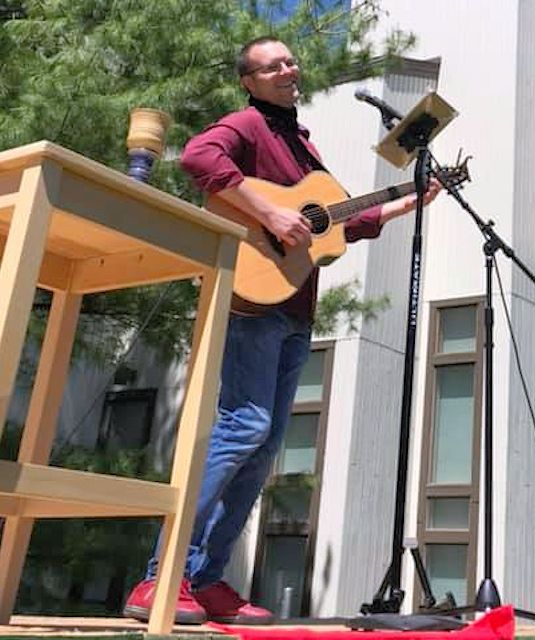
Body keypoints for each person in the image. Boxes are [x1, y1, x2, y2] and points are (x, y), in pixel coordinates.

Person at [123, 36, 441, 625]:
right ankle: (160, 576)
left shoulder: (300, 146)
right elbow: (199, 159)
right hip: (255, 301)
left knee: (263, 446)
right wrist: (267, 212)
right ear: (250, 81)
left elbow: (335, 220)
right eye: (273, 66)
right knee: (244, 426)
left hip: (294, 308)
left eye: (291, 62)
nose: (288, 70)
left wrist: (406, 203)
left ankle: (207, 578)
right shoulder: (246, 123)